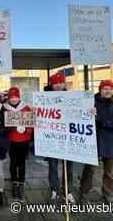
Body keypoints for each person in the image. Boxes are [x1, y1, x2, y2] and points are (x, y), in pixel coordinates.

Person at [80, 80, 113, 203]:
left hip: (111, 144)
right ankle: (84, 193)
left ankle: (108, 195)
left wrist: (104, 123)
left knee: (109, 172)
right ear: (100, 90)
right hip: (93, 142)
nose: (107, 91)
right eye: (104, 88)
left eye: (110, 88)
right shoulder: (90, 104)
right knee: (88, 170)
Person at [45, 73, 76, 204]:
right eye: (55, 83)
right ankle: (54, 189)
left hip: (68, 138)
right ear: (51, 84)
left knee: (68, 167)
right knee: (52, 166)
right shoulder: (44, 98)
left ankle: (67, 190)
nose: (58, 85)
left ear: (64, 84)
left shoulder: (72, 98)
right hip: (53, 138)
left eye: (60, 82)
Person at [4, 87, 33, 200]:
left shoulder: (26, 107)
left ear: (19, 97)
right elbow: (4, 124)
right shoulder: (5, 108)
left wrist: (26, 129)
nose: (14, 99)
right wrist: (11, 127)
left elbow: (30, 123)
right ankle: (14, 182)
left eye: (15, 97)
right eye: (11, 97)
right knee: (13, 163)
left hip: (24, 140)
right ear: (9, 98)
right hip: (11, 140)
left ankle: (21, 183)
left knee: (22, 163)